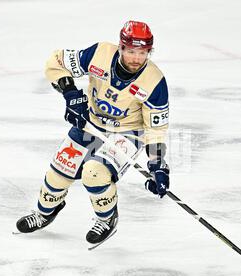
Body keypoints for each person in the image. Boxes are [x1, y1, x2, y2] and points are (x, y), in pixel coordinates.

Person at [16, 21, 170, 247]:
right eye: (131, 51)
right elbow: (56, 61)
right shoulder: (100, 54)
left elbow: (156, 128)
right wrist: (70, 93)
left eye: (143, 52)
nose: (136, 58)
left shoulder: (155, 81)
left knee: (94, 172)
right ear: (121, 47)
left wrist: (157, 164)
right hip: (91, 123)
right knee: (61, 169)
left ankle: (107, 218)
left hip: (126, 133)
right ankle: (45, 212)